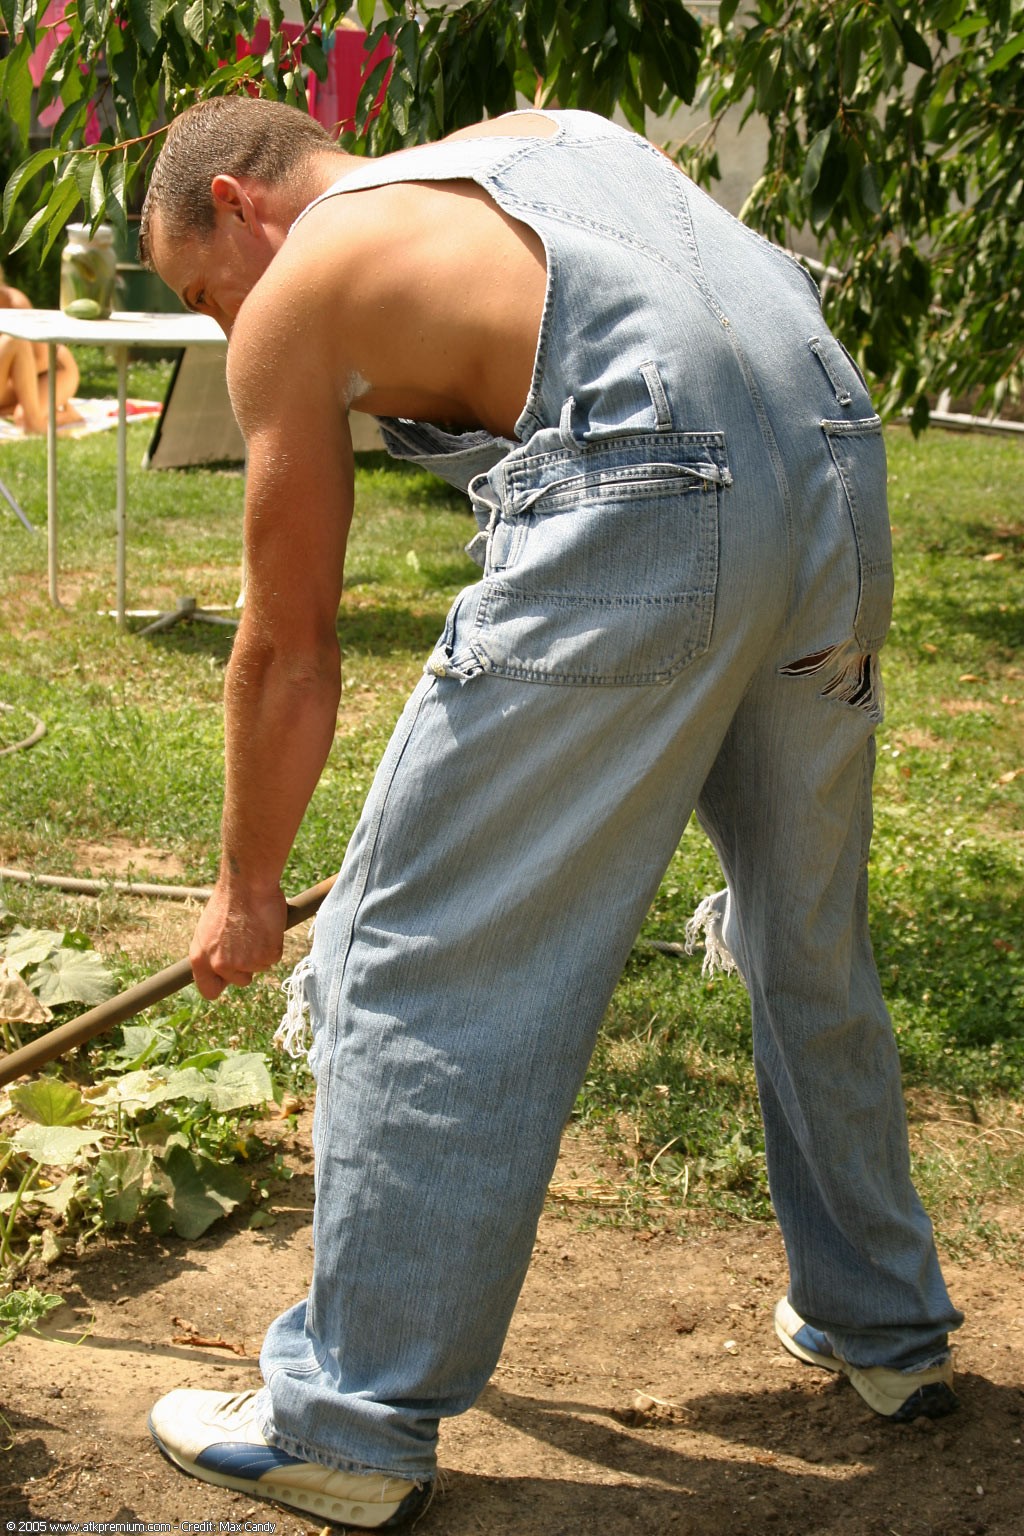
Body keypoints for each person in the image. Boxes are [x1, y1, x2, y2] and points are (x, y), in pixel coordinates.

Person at [138, 97, 963, 1530]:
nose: (229, 331)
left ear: (236, 206)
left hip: (652, 492)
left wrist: (247, 886)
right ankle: (881, 1322)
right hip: (835, 465)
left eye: (207, 297)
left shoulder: (304, 282)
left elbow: (290, 651)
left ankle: (346, 1419)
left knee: (418, 955)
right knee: (804, 934)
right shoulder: (550, 141)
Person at [0, 268, 81, 434]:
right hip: (18, 378)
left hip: (55, 368)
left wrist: (9, 373)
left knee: (13, 340)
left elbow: (43, 358)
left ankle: (61, 418)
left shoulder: (14, 303)